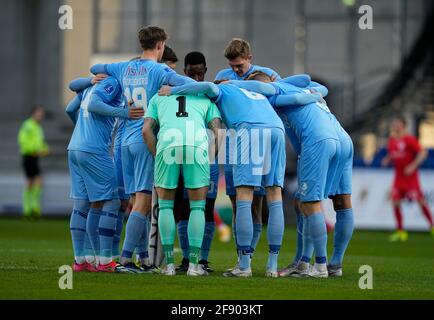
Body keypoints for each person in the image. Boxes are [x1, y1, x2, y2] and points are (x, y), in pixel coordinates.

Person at [229, 72, 355, 278]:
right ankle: (329, 263)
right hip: (342, 138)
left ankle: (320, 266)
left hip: (318, 140)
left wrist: (232, 83)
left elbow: (269, 91)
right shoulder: (302, 88)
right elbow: (312, 85)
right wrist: (312, 94)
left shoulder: (273, 94)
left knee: (309, 203)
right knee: (340, 201)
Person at [90, 26, 194, 272]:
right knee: (144, 203)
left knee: (135, 200)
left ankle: (144, 257)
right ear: (160, 45)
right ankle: (126, 260)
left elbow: (96, 68)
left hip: (123, 141)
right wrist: (175, 89)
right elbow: (190, 84)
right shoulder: (161, 70)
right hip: (144, 139)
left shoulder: (123, 67)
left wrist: (96, 77)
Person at [159, 80, 287, 278]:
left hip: (249, 129)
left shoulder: (224, 89)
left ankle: (244, 265)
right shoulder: (253, 91)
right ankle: (272, 265)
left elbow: (209, 87)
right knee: (275, 193)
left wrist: (173, 90)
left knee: (244, 196)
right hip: (277, 129)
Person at [214, 38, 281, 270]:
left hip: (258, 141)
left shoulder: (267, 75)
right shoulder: (223, 74)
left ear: (250, 59)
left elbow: (278, 98)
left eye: (239, 67)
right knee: (237, 203)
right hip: (232, 144)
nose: (234, 70)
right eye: (232, 66)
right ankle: (242, 257)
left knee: (256, 203)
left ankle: (248, 260)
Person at [66, 74, 143, 273]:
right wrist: (125, 113)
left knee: (83, 204)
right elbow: (94, 106)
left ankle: (81, 260)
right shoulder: (113, 83)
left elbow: (70, 108)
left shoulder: (90, 87)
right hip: (94, 150)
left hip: (74, 148)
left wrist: (81, 131)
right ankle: (105, 260)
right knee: (112, 202)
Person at [142, 92, 222, 276]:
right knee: (198, 207)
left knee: (165, 206)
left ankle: (169, 265)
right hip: (196, 146)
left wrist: (157, 154)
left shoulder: (158, 97)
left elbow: (146, 130)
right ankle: (194, 265)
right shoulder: (203, 97)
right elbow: (218, 132)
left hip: (167, 145)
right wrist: (209, 158)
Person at [175, 51, 224, 273]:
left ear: (206, 71)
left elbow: (218, 130)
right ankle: (187, 258)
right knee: (184, 209)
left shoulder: (211, 94)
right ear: (184, 71)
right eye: (191, 73)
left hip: (207, 159)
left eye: (200, 73)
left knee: (207, 209)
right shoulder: (177, 95)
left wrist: (212, 158)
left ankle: (202, 259)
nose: (196, 78)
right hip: (181, 158)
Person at [382, 116, 434, 242]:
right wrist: (387, 159)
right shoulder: (392, 140)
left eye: (398, 123)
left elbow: (423, 153)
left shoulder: (409, 139)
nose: (395, 126)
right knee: (395, 202)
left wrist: (412, 166)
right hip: (398, 178)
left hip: (411, 179)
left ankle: (432, 226)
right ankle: (400, 232)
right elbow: (392, 153)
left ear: (403, 125)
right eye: (394, 123)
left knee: (421, 202)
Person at [18, 106, 49, 220]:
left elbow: (39, 142)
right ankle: (30, 208)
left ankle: (31, 208)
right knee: (33, 182)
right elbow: (23, 140)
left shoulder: (37, 127)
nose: (41, 115)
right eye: (39, 113)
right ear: (33, 113)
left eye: (42, 113)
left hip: (34, 157)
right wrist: (36, 150)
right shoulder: (28, 125)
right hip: (29, 156)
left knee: (33, 182)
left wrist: (45, 149)